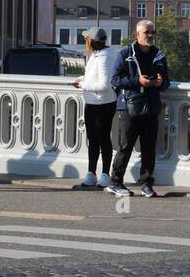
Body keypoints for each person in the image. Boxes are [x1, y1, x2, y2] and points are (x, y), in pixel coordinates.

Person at [108, 19, 171, 199]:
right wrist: (137, 81)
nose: (150, 36)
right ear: (137, 35)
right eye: (147, 33)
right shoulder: (126, 54)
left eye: (153, 32)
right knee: (125, 145)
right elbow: (115, 80)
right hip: (128, 106)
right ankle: (115, 182)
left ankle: (146, 184)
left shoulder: (159, 55)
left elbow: (166, 81)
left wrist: (160, 83)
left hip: (151, 106)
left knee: (149, 148)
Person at [73, 26, 121, 188]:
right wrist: (82, 79)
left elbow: (105, 85)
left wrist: (83, 85)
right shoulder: (96, 55)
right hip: (92, 102)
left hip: (103, 103)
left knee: (103, 139)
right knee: (93, 140)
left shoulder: (105, 57)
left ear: (92, 41)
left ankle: (105, 174)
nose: (85, 42)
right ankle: (91, 173)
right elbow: (94, 77)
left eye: (87, 39)